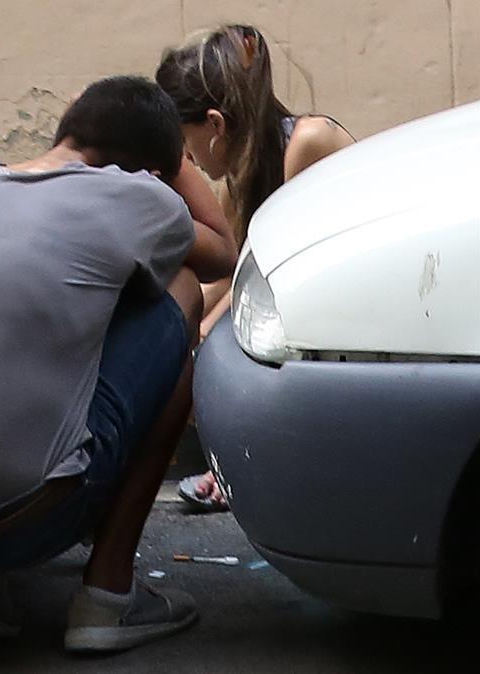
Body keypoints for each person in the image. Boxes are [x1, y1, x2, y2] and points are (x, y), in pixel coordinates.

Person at [0, 76, 237, 652]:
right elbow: (222, 252)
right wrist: (171, 160)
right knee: (177, 291)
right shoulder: (137, 197)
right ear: (151, 168)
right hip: (29, 520)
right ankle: (107, 599)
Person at [156, 24, 356, 510]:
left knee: (226, 347)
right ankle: (238, 463)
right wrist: (171, 330)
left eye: (186, 141)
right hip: (307, 312)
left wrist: (198, 335)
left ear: (215, 125)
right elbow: (227, 276)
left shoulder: (307, 144)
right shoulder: (241, 178)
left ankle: (244, 465)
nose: (187, 158)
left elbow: (273, 280)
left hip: (359, 320)